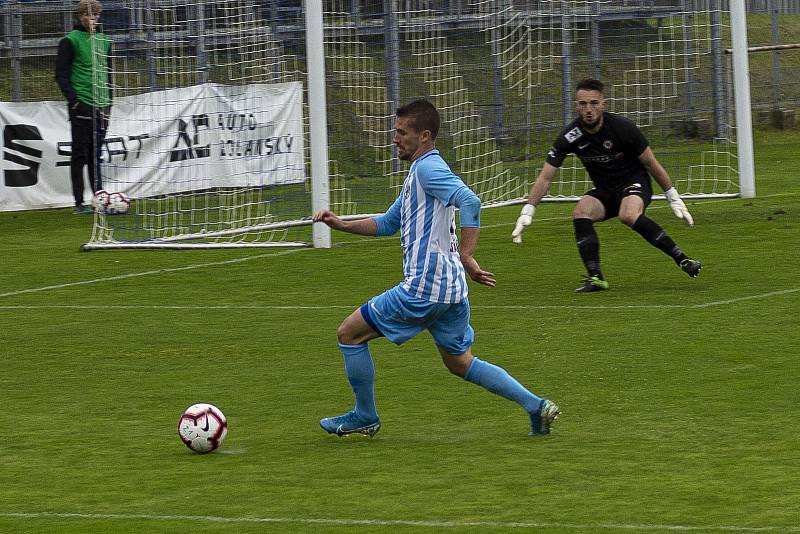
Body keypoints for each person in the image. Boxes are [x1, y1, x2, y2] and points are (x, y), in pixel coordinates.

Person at [313, 99, 560, 438]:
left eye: (402, 133)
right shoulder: (420, 171)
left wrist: (468, 255)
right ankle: (536, 406)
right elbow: (388, 223)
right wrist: (341, 225)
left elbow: (471, 201)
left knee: (349, 334)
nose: (395, 139)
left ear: (424, 136)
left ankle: (365, 415)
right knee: (461, 363)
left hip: (425, 287)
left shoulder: (429, 169)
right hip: (451, 289)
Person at [511, 78, 701, 292]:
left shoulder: (623, 128)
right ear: (577, 106)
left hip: (634, 183)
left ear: (604, 104)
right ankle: (596, 277)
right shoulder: (570, 136)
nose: (588, 109)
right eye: (583, 104)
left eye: (594, 103)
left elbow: (650, 163)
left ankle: (682, 259)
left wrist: (672, 196)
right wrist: (528, 210)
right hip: (605, 190)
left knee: (627, 215)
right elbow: (546, 176)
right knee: (581, 212)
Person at [54, 0, 112, 214]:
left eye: (96, 16)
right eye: (88, 15)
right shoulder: (69, 41)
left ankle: (98, 199)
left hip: (102, 105)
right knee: (80, 154)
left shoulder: (105, 40)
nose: (93, 19)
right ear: (80, 17)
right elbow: (61, 75)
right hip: (82, 105)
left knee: (95, 155)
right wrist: (75, 102)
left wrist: (110, 101)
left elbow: (109, 73)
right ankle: (79, 203)